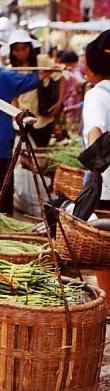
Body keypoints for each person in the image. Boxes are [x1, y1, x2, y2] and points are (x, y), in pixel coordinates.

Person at [0, 37, 43, 212]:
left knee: (2, 181)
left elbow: (30, 81)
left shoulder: (4, 76)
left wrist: (43, 74)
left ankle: (4, 215)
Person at [82, 29, 110, 314]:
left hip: (107, 190)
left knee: (105, 257)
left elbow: (94, 133)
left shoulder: (96, 95)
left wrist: (94, 165)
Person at [8, 29, 66, 148]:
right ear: (12, 51)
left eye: (24, 49)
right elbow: (12, 95)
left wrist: (59, 102)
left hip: (43, 117)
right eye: (17, 50)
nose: (21, 53)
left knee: (41, 150)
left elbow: (61, 78)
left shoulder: (42, 61)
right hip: (23, 118)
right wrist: (15, 116)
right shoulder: (11, 69)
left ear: (30, 47)